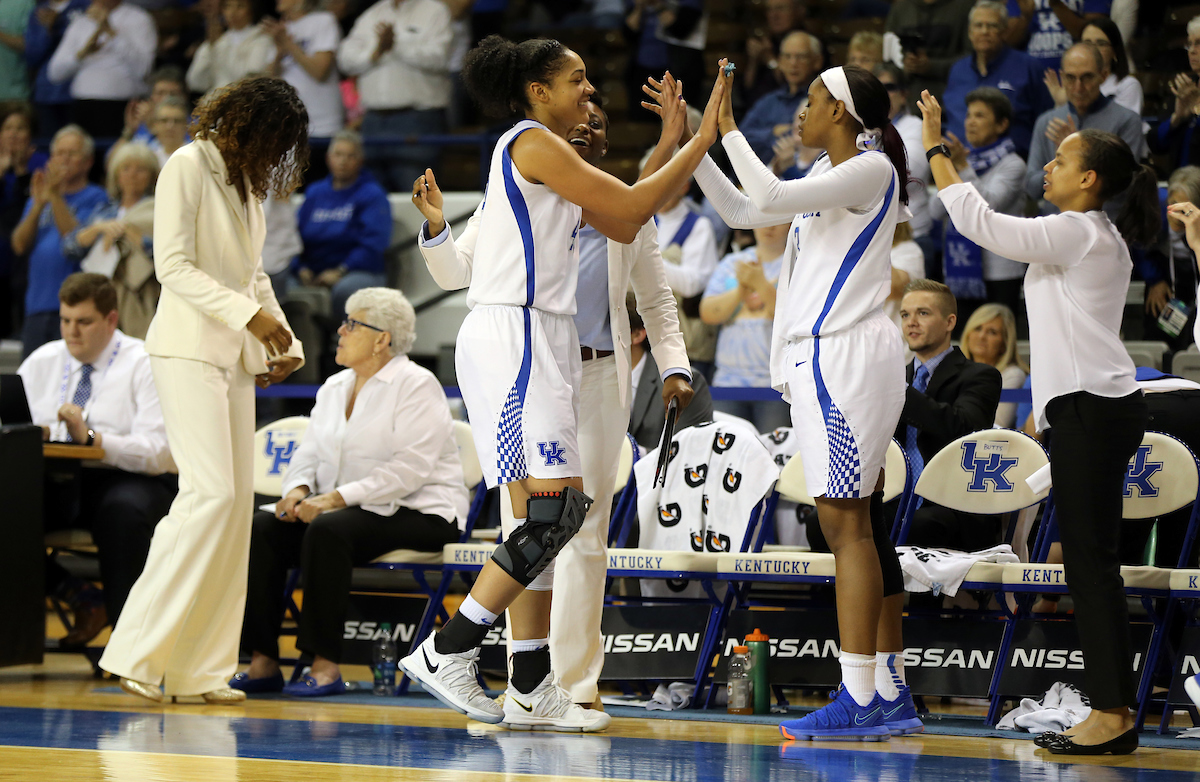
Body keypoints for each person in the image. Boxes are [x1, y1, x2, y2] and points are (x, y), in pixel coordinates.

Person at [400, 35, 722, 731]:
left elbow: (628, 214)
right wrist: (700, 138)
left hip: (537, 340)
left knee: (555, 517)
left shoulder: (553, 163)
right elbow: (635, 207)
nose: (587, 91)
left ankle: (530, 684)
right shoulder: (530, 143)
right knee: (548, 516)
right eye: (576, 80)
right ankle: (448, 648)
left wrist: (674, 141)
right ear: (538, 91)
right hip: (519, 337)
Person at [659, 63, 919, 740]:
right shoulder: (827, 187)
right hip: (830, 358)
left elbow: (766, 192)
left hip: (843, 354)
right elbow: (748, 210)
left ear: (841, 108)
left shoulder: (870, 168)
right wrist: (699, 141)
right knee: (856, 524)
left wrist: (729, 130)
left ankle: (860, 694)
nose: (800, 112)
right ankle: (885, 690)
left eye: (810, 101)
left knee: (845, 527)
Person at [919, 86, 1158, 753]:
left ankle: (1112, 714)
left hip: (1093, 412)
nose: (1044, 169)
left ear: (1088, 179)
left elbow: (982, 226)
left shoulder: (1079, 231)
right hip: (1087, 412)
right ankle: (1113, 711)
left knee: (1090, 565)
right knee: (1089, 564)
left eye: (1060, 162)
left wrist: (937, 150)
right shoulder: (1085, 234)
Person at [98, 75, 308, 705]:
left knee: (235, 510)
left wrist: (286, 340)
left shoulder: (248, 187)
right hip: (186, 347)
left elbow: (254, 276)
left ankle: (199, 671)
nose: (278, 157)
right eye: (275, 141)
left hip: (234, 358)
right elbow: (174, 267)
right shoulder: (185, 165)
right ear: (247, 125)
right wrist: (251, 319)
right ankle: (136, 649)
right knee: (209, 494)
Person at [231, 287, 467, 696]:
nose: (340, 330)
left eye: (352, 323)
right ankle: (262, 661)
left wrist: (334, 499)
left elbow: (409, 470)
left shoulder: (416, 384)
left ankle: (325, 665)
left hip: (422, 512)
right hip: (350, 513)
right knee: (263, 527)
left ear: (382, 339)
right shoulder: (335, 386)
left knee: (329, 530)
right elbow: (309, 451)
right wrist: (297, 490)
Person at [19, 272, 175, 647]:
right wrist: (30, 433)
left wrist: (93, 439)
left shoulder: (144, 362)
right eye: (66, 321)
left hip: (130, 479)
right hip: (56, 477)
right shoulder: (43, 360)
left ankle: (129, 646)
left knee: (123, 512)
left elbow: (159, 451)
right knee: (10, 508)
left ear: (110, 320)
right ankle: (78, 596)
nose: (72, 332)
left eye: (84, 322)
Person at [805, 280, 1001, 551]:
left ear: (950, 322)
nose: (911, 322)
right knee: (822, 523)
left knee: (924, 525)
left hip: (949, 503)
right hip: (893, 499)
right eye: (905, 314)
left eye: (923, 313)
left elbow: (964, 427)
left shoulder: (980, 376)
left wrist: (896, 388)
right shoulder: (896, 378)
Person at [10, 124, 106, 357]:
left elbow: (75, 241)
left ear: (87, 161)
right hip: (37, 305)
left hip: (78, 308)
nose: (64, 159)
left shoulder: (97, 197)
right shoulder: (40, 197)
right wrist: (39, 204)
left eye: (71, 154)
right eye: (59, 153)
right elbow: (19, 245)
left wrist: (55, 196)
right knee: (33, 385)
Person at [929, 87, 1026, 317]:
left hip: (1000, 271)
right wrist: (949, 167)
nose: (970, 122)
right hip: (959, 270)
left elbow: (987, 205)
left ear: (1002, 124)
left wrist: (961, 167)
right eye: (969, 115)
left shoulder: (1013, 164)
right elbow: (935, 209)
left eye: (980, 116)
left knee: (998, 345)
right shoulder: (962, 159)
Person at [336, 0, 453, 192]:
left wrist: (396, 45)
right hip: (373, 120)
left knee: (416, 196)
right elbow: (345, 61)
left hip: (417, 119)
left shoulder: (434, 11)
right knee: (372, 193)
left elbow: (439, 58)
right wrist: (375, 52)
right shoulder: (371, 14)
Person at [1023, 43, 1146, 210]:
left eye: (1087, 77)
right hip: (1054, 226)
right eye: (1070, 78)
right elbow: (1031, 187)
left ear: (1103, 75)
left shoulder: (1126, 120)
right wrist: (1060, 163)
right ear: (1062, 77)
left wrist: (1077, 154)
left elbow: (1123, 187)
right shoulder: (1047, 121)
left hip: (1104, 225)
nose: (1078, 87)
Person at [699, 220, 790, 433]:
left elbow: (790, 318)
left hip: (775, 383)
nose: (769, 226)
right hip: (727, 382)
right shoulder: (733, 262)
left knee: (773, 456)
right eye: (763, 219)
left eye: (778, 220)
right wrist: (740, 291)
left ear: (790, 222)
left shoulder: (797, 263)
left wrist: (759, 283)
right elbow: (708, 313)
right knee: (727, 456)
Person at [61, 141, 158, 338]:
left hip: (142, 297)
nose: (132, 175)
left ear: (151, 176)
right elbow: (70, 249)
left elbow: (164, 253)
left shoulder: (158, 208)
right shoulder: (104, 211)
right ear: (116, 175)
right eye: (126, 168)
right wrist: (98, 229)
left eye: (140, 169)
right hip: (102, 294)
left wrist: (130, 232)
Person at [294, 129, 391, 319]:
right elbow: (292, 235)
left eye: (350, 156)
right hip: (310, 271)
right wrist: (299, 268)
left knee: (346, 292)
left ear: (361, 161)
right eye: (338, 155)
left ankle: (341, 341)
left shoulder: (373, 195)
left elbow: (374, 244)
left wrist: (340, 271)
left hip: (356, 271)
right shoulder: (314, 192)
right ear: (328, 158)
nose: (343, 161)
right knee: (278, 285)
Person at [942, 0, 1050, 158]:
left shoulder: (1028, 67)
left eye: (992, 26)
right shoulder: (958, 70)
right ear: (970, 33)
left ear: (1005, 31)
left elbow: (1045, 120)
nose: (985, 31)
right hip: (959, 163)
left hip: (1013, 164)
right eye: (978, 26)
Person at [46, 0, 156, 139]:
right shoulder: (81, 22)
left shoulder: (139, 19)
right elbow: (54, 73)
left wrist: (110, 31)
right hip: (83, 108)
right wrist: (81, 55)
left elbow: (144, 69)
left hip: (124, 108)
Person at [627, 293, 712, 451]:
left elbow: (690, 452)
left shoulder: (686, 382)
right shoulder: (588, 378)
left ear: (637, 334)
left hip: (657, 474)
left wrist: (630, 456)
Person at [873, 64, 933, 273]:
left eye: (888, 87)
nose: (881, 93)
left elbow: (908, 172)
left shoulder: (915, 125)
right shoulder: (862, 128)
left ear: (903, 94)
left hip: (913, 235)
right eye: (875, 87)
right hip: (872, 237)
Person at [265, 0, 343, 139]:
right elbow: (270, 79)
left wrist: (289, 44)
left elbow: (320, 72)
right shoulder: (281, 28)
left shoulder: (323, 21)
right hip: (288, 123)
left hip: (322, 123)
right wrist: (279, 52)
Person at [0, 107, 47, 337]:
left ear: (30, 135)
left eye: (20, 128)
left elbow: (31, 202)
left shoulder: (40, 162)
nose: (13, 134)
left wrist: (20, 171)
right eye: (8, 128)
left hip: (27, 238)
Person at [740, 31, 821, 164]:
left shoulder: (821, 101)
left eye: (801, 57)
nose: (793, 63)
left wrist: (780, 134)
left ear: (817, 61)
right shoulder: (769, 100)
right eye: (787, 56)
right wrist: (773, 132)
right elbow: (741, 137)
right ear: (780, 61)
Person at [1142, 167, 1200, 351]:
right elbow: (1139, 246)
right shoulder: (1155, 208)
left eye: (1186, 208)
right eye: (1173, 203)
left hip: (1194, 271)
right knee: (1158, 310)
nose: (1177, 214)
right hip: (1164, 271)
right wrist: (1155, 280)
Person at [885, 0, 974, 113]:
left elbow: (972, 58)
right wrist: (905, 66)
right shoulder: (900, 8)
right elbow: (888, 59)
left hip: (951, 94)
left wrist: (932, 66)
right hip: (906, 97)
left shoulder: (964, 7)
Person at [24, 0, 90, 138]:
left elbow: (90, 43)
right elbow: (32, 57)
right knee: (48, 145)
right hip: (47, 93)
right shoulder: (39, 11)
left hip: (81, 91)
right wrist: (46, 29)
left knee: (80, 144)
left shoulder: (86, 6)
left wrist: (59, 24)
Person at [186, 0, 275, 96]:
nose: (233, 12)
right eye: (227, 6)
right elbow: (195, 82)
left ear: (252, 9)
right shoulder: (218, 40)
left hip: (243, 100)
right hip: (215, 100)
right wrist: (211, 47)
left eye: (240, 6)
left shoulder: (262, 39)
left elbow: (251, 77)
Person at [958, 302, 1027, 427]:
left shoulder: (1012, 375)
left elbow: (997, 425)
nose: (981, 336)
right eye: (977, 328)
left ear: (1005, 343)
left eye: (992, 332)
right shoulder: (953, 369)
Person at [1150, 16, 1200, 170]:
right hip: (1178, 183)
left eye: (1198, 43)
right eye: (1189, 44)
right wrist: (1176, 119)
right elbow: (1156, 144)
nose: (1191, 50)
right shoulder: (1185, 86)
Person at [1004, 0, 1109, 73]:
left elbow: (1094, 34)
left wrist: (1056, 4)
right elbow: (1009, 42)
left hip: (1077, 73)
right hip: (1032, 74)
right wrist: (1026, 16)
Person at [1078, 17, 1141, 115]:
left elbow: (1121, 126)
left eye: (1101, 43)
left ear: (1114, 52)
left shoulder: (1127, 85)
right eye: (1087, 43)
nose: (1093, 49)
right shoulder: (1073, 85)